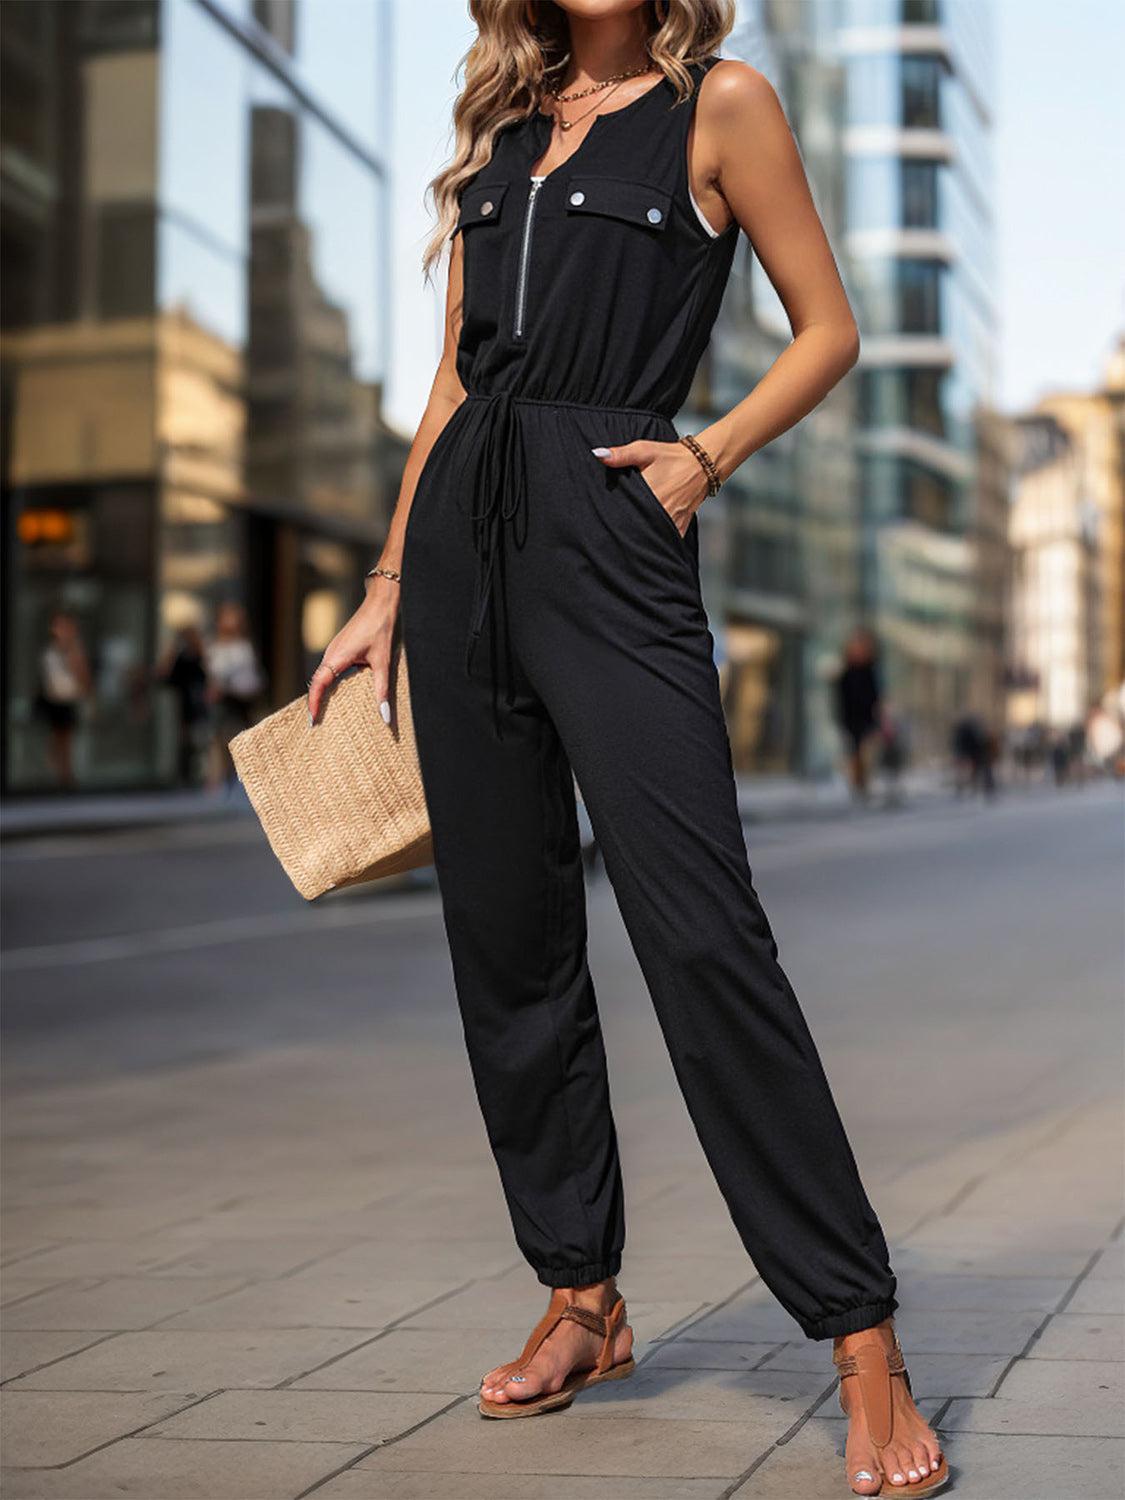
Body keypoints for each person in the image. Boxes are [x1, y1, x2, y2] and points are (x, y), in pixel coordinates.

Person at [307, 3, 945, 1495]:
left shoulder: (721, 106)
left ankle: (860, 1336)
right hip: (464, 546)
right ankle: (581, 1298)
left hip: (614, 530)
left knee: (701, 930)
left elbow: (830, 328)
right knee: (507, 944)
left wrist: (702, 459)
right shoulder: (506, 130)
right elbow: (456, 385)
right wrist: (391, 586)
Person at [205, 602, 264, 790]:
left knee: (239, 739)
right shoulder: (215, 646)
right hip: (223, 703)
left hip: (241, 701)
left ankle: (239, 780)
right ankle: (220, 780)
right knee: (219, 740)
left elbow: (251, 677)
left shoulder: (244, 646)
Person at [35, 610, 91, 789]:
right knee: (55, 738)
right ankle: (57, 772)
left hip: (68, 700)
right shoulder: (49, 651)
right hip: (52, 699)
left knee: (66, 738)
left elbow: (83, 676)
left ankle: (66, 775)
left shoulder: (74, 650)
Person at [157, 624, 210, 787]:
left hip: (203, 702)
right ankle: (186, 774)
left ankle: (204, 774)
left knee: (205, 739)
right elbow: (166, 678)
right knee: (186, 739)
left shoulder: (203, 656)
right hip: (186, 704)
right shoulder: (181, 658)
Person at [835, 628, 882, 802]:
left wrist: (877, 715)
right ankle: (856, 784)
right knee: (853, 753)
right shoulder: (846, 672)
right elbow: (840, 697)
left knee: (866, 753)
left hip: (867, 718)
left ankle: (864, 784)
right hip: (850, 718)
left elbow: (876, 695)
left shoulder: (870, 670)